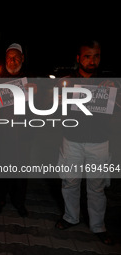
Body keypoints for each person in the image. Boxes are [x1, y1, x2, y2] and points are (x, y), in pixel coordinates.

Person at [55, 40, 115, 245]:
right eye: (87, 56)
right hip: (71, 140)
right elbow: (53, 109)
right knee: (70, 181)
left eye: (96, 56)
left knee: (97, 186)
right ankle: (70, 217)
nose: (92, 60)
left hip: (99, 141)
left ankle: (98, 225)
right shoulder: (67, 80)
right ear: (79, 58)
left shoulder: (110, 81)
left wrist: (115, 94)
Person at [0, 43, 37, 217]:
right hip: (1, 132)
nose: (12, 61)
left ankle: (19, 202)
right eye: (9, 57)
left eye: (16, 57)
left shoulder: (30, 79)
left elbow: (40, 108)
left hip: (22, 133)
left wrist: (35, 94)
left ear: (22, 58)